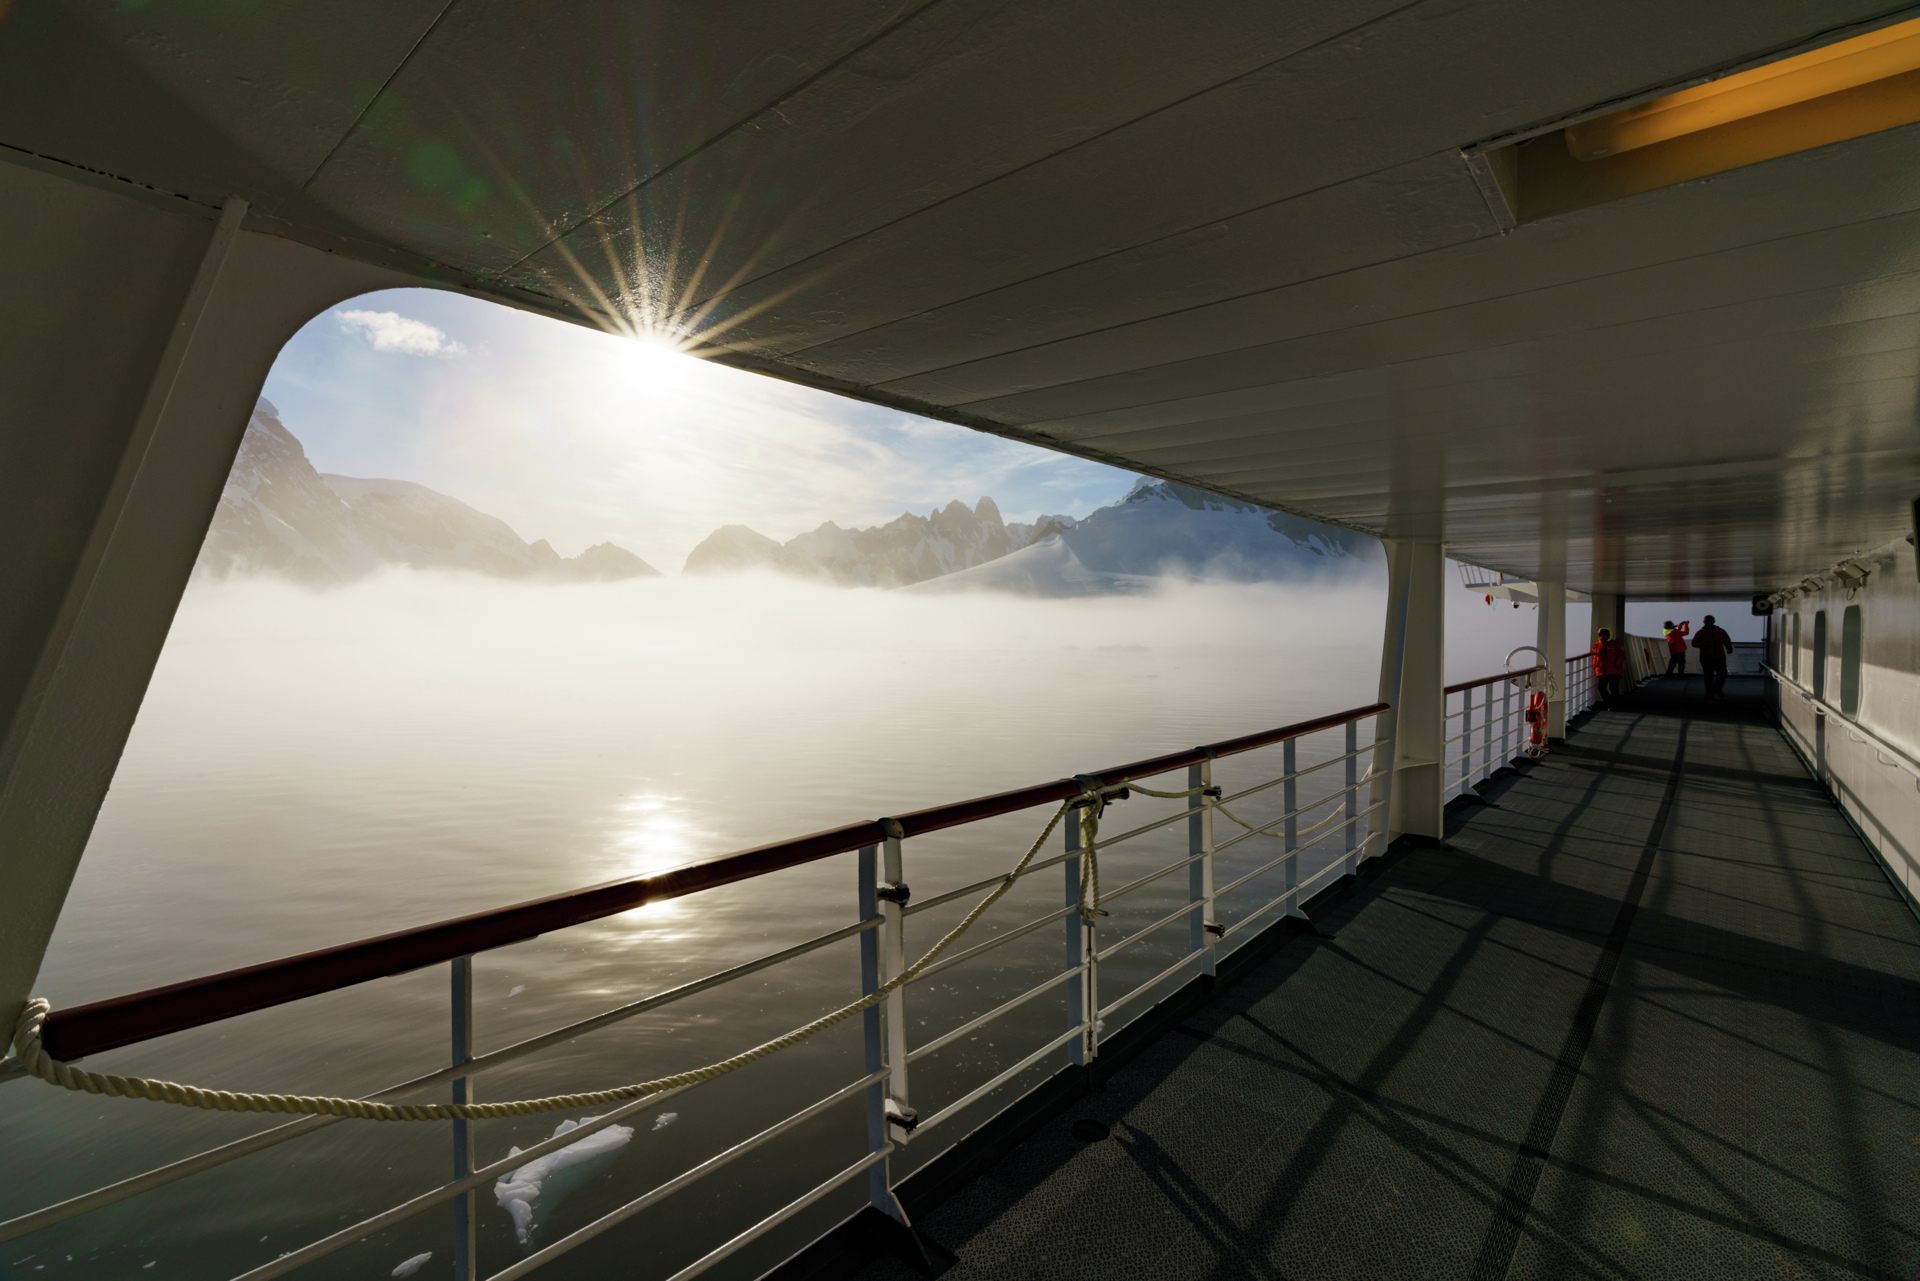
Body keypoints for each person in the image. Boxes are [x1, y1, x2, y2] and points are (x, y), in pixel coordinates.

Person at [1693, 614, 1734, 699]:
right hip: (1707, 658)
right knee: (1709, 676)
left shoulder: (1720, 631)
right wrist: (1701, 645)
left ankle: (1717, 689)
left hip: (1718, 657)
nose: (1709, 622)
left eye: (1710, 621)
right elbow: (1694, 643)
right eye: (1708, 621)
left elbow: (1727, 640)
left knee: (1722, 674)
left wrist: (1729, 648)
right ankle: (1711, 693)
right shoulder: (1700, 633)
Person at [1592, 627, 1626, 708]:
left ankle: (1613, 704)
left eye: (1605, 635)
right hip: (1601, 671)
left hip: (1614, 671)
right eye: (1601, 635)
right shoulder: (1596, 645)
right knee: (1601, 688)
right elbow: (1595, 657)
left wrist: (1616, 664)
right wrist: (1594, 666)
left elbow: (1622, 656)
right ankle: (1608, 703)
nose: (1603, 636)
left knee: (1613, 688)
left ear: (1608, 635)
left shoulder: (1615, 644)